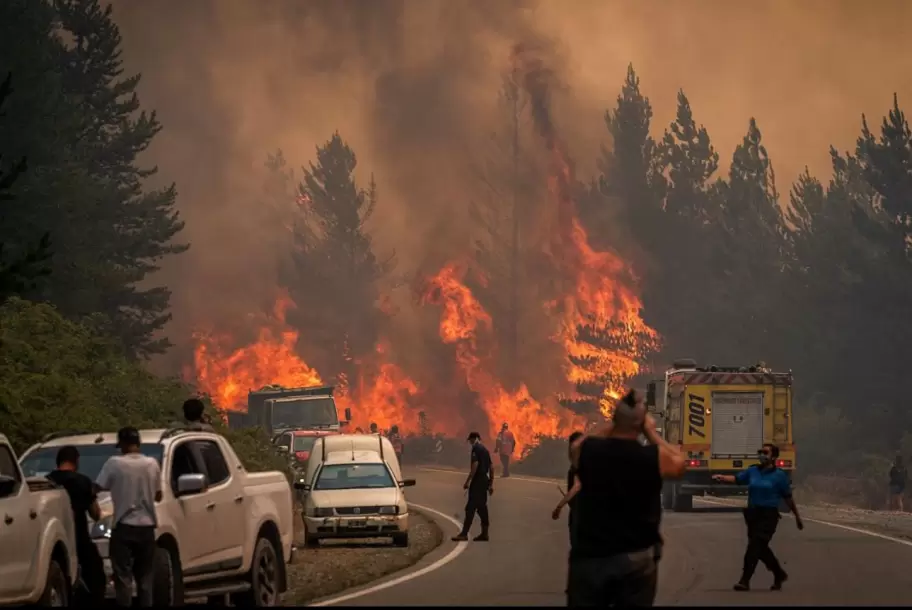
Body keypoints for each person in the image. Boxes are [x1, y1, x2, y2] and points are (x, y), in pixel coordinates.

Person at [566, 389, 685, 607]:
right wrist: (651, 433)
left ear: (614, 420)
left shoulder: (590, 451)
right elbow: (679, 462)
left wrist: (614, 424)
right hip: (636, 557)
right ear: (640, 425)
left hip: (590, 556)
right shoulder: (652, 457)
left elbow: (576, 446)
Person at [712, 443, 804, 592]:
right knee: (760, 548)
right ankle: (778, 573)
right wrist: (721, 477)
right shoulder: (753, 470)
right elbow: (737, 479)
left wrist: (797, 517)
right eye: (760, 452)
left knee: (754, 546)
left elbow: (788, 498)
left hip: (769, 515)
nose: (762, 455)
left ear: (773, 456)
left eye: (765, 452)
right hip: (753, 514)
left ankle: (744, 580)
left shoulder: (779, 476)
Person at [96, 427, 163, 608]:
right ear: (138, 443)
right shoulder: (152, 464)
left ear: (123, 444)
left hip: (124, 526)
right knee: (145, 578)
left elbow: (99, 487)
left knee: (123, 578)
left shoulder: (114, 463)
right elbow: (159, 496)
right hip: (147, 526)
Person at [46, 446, 106, 606]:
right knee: (96, 580)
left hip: (55, 545)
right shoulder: (83, 481)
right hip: (80, 540)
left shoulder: (48, 482)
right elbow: (95, 513)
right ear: (76, 461)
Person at [451, 431, 494, 542]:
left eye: (470, 440)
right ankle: (485, 534)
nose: (470, 443)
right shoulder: (485, 450)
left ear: (475, 439)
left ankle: (464, 534)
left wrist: (468, 481)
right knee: (482, 508)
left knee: (470, 508)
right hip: (484, 482)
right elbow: (492, 467)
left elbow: (475, 465)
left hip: (477, 482)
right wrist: (490, 484)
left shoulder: (476, 449)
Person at [552, 431, 584, 540]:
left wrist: (559, 506)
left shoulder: (580, 464)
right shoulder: (585, 462)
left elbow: (576, 486)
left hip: (580, 510)